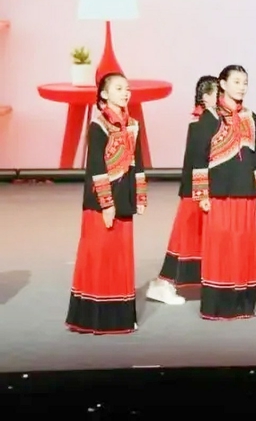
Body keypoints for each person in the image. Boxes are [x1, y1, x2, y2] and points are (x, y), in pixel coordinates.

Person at [66, 72, 146, 334]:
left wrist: (140, 196)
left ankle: (120, 318)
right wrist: (107, 204)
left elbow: (138, 163)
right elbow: (96, 167)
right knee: (99, 256)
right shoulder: (98, 125)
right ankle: (93, 318)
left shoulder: (133, 125)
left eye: (127, 88)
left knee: (120, 258)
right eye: (119, 88)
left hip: (124, 198)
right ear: (104, 94)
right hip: (100, 202)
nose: (125, 93)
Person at [193, 65, 256, 320]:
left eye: (245, 82)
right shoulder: (210, 116)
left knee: (243, 245)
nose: (242, 87)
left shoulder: (250, 116)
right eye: (236, 82)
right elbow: (199, 156)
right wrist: (202, 194)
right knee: (221, 246)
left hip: (246, 191)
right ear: (222, 84)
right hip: (218, 193)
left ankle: (242, 304)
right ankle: (218, 305)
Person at [146, 75, 219, 306]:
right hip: (196, 191)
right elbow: (197, 161)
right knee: (184, 237)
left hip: (207, 189)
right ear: (206, 97)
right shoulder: (202, 123)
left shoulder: (214, 120)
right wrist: (201, 193)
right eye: (219, 93)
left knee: (205, 238)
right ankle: (163, 283)